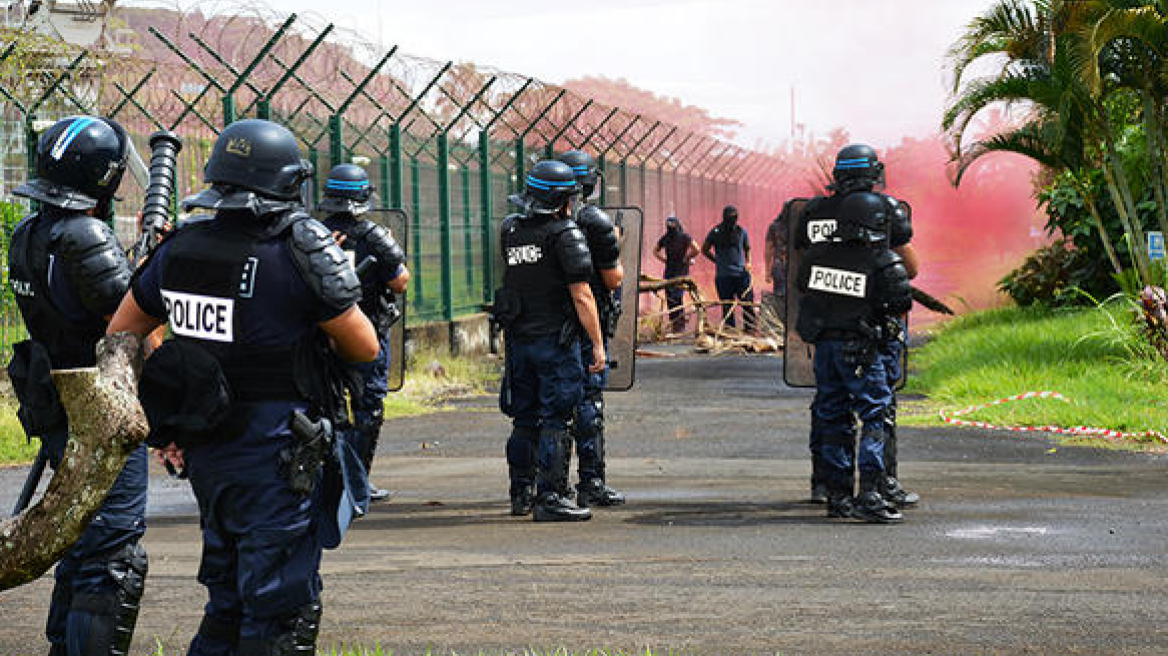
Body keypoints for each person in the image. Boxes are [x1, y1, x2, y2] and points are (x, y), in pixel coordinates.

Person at [107, 118, 379, 654]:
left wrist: (182, 391)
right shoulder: (297, 248)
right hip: (277, 453)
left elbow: (123, 332)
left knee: (228, 600)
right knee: (279, 611)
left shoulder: (180, 248)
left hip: (208, 448)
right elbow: (365, 346)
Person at [7, 115, 149, 656]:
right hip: (99, 406)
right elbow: (128, 319)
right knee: (112, 555)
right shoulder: (84, 234)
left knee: (79, 537)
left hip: (58, 398)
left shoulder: (29, 233)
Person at [792, 143, 913, 523]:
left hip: (826, 343)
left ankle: (834, 493)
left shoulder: (813, 222)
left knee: (831, 415)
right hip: (864, 348)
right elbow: (902, 293)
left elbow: (802, 283)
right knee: (876, 414)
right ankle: (876, 492)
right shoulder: (884, 239)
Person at [495, 159, 605, 522]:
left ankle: (520, 493)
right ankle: (552, 496)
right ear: (561, 200)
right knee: (559, 418)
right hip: (555, 343)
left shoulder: (511, 231)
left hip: (519, 342)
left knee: (524, 420)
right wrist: (598, 344)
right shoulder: (565, 234)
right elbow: (582, 295)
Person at [319, 163, 410, 503]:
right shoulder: (374, 235)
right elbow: (400, 281)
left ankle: (326, 478)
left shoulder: (313, 233)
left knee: (327, 406)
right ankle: (355, 484)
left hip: (322, 334)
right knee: (367, 407)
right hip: (366, 332)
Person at [558, 149, 625, 508]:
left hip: (545, 325)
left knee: (547, 408)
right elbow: (612, 278)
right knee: (588, 404)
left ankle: (542, 486)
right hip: (584, 325)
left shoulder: (524, 223)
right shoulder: (594, 221)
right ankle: (591, 482)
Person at [701, 205, 756, 332]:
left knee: (747, 304)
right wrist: (716, 261)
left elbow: (747, 248)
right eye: (729, 218)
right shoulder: (716, 232)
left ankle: (750, 330)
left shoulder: (741, 231)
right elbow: (704, 249)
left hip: (741, 275)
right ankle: (731, 332)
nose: (732, 221)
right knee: (727, 307)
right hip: (724, 277)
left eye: (734, 218)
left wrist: (748, 263)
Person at [653, 215, 698, 333]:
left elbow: (696, 249)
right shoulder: (666, 238)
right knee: (671, 299)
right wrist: (664, 260)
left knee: (677, 297)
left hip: (681, 272)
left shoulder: (684, 237)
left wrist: (687, 257)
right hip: (670, 271)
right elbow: (655, 250)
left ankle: (680, 324)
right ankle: (675, 325)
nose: (671, 228)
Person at [763, 204, 791, 324]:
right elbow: (769, 249)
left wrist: (768, 271)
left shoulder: (775, 226)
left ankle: (781, 323)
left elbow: (769, 249)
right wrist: (768, 271)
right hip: (785, 267)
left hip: (780, 265)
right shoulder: (796, 225)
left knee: (780, 296)